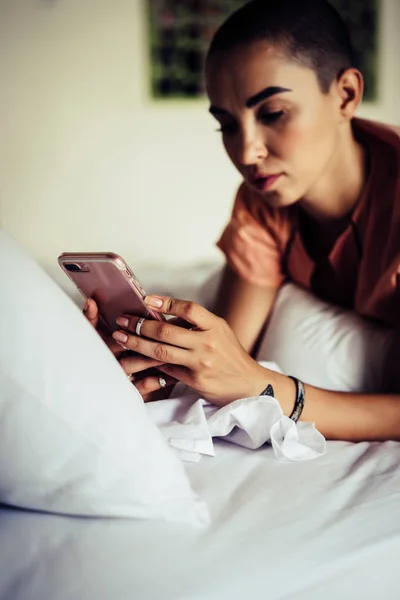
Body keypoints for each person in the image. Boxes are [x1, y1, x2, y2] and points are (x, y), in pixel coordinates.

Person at [86, 0, 400, 441]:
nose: (247, 152)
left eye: (272, 114)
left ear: (345, 94)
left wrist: (266, 388)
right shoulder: (261, 202)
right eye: (227, 125)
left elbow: (246, 376)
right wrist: (153, 361)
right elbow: (232, 354)